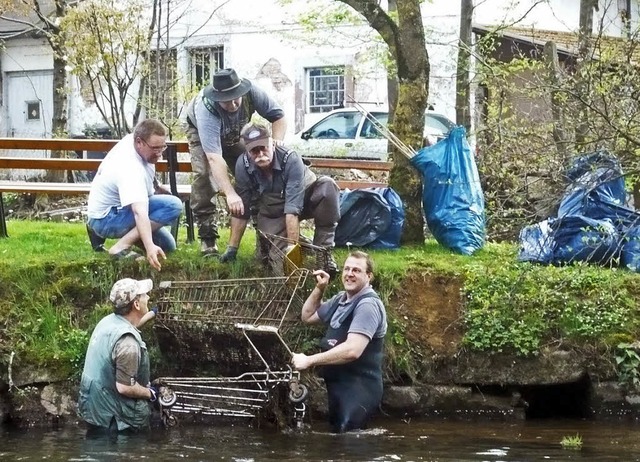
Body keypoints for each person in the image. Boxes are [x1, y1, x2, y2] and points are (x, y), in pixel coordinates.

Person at [185, 68, 287, 255]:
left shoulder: (253, 93)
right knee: (204, 176)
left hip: (233, 133)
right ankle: (208, 237)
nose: (233, 104)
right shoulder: (206, 109)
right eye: (227, 101)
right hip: (202, 136)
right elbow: (214, 157)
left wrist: (277, 143)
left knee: (255, 167)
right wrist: (231, 193)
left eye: (236, 98)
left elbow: (278, 117)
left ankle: (264, 231)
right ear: (217, 98)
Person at [218, 121, 339, 268]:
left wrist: (292, 249)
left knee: (327, 186)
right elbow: (241, 212)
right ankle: (305, 247)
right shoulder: (242, 165)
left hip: (305, 199)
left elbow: (292, 210)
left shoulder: (291, 159)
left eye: (264, 148)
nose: (260, 154)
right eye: (254, 151)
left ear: (272, 144)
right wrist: (232, 249)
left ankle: (324, 254)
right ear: (248, 152)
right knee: (279, 265)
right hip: (274, 213)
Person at [291, 251, 387, 433]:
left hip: (359, 390)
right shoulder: (340, 299)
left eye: (357, 270)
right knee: (337, 441)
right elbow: (307, 316)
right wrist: (320, 288)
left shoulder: (367, 305)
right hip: (338, 388)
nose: (350, 274)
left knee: (348, 442)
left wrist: (309, 360)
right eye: (347, 269)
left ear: (369, 276)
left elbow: (353, 350)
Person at [86, 119, 183, 271]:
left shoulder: (134, 143)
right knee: (173, 205)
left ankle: (125, 237)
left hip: (112, 211)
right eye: (155, 148)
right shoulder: (130, 168)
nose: (160, 154)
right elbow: (139, 212)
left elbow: (146, 174)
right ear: (139, 142)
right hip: (108, 218)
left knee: (167, 247)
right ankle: (120, 247)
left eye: (162, 147)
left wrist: (156, 186)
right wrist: (150, 246)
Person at [77, 278, 161, 434]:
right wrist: (151, 393)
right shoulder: (128, 344)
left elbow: (130, 325)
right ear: (136, 304)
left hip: (95, 412)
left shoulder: (108, 322)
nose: (148, 297)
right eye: (144, 295)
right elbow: (124, 387)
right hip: (116, 422)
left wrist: (151, 314)